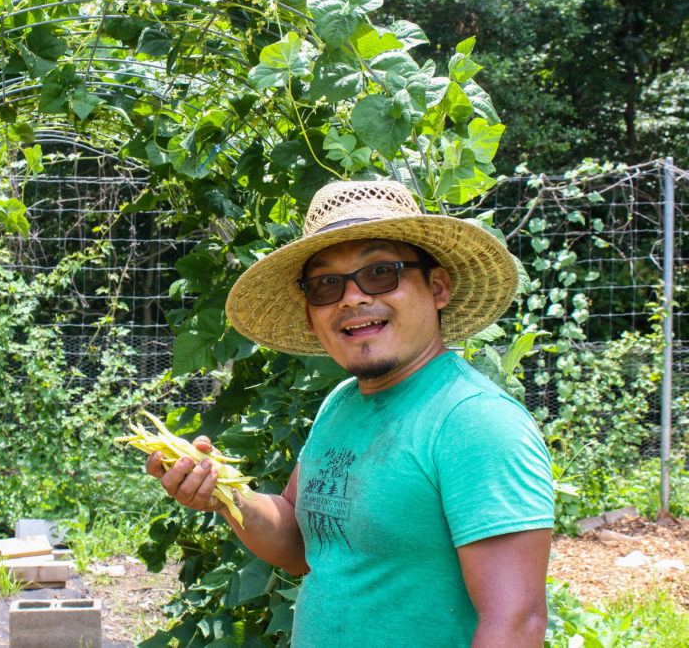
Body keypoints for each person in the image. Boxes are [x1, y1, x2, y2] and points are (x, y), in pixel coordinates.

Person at [146, 180, 555, 647]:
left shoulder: (474, 423)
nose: (352, 298)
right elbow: (299, 545)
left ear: (437, 287)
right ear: (310, 309)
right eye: (326, 284)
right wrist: (224, 495)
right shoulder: (342, 402)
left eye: (381, 272)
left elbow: (516, 623)